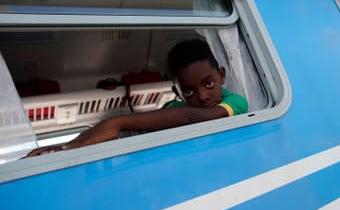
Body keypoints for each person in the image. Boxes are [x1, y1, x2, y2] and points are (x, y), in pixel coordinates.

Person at [26, 39, 248, 157]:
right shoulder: (173, 106)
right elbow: (130, 133)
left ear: (221, 75)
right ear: (178, 91)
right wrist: (65, 147)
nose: (201, 96)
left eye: (208, 83)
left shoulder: (236, 102)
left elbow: (193, 117)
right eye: (188, 91)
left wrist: (118, 122)